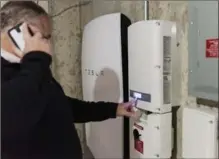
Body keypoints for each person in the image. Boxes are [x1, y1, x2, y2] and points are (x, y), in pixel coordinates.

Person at [1, 1, 135, 159]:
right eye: (44, 37)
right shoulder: (30, 67)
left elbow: (58, 105)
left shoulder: (30, 68)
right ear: (19, 34)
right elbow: (14, 115)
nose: (47, 44)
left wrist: (114, 109)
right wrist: (36, 59)